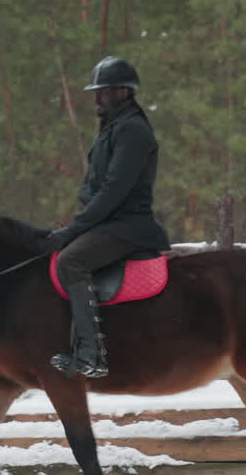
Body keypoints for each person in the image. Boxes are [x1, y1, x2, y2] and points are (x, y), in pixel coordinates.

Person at [42, 56, 171, 378]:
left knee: (70, 260)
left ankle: (91, 355)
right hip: (107, 220)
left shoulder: (134, 131)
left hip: (128, 226)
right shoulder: (113, 128)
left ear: (124, 93)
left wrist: (75, 229)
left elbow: (114, 191)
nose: (97, 98)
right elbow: (94, 186)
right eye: (97, 92)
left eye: (104, 92)